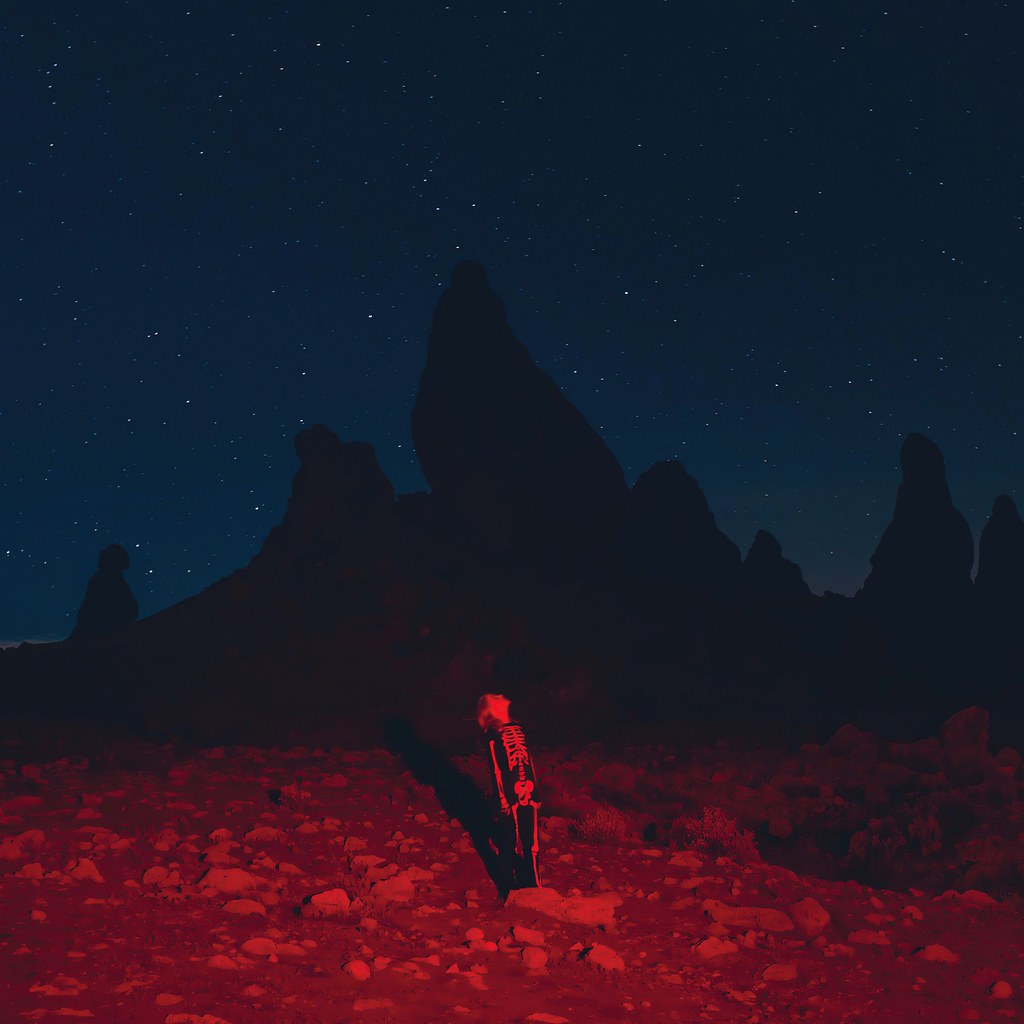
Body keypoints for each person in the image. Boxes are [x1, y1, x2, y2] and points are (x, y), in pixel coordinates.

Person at [477, 693, 542, 892]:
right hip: (509, 794)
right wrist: (502, 797)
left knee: (532, 841)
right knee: (509, 841)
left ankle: (533, 883)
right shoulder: (492, 734)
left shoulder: (518, 728)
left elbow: (528, 761)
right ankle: (508, 887)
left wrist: (536, 791)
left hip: (528, 790)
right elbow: (495, 767)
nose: (502, 696)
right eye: (495, 697)